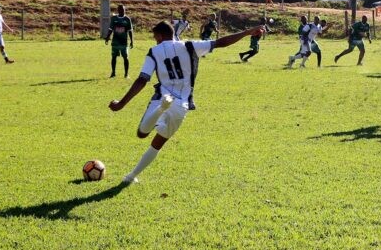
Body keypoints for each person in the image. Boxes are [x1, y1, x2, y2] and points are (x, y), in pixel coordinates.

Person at [108, 21, 265, 184]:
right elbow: (221, 42)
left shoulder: (154, 51)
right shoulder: (190, 46)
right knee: (158, 143)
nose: (156, 41)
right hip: (182, 105)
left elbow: (142, 80)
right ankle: (131, 176)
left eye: (155, 38)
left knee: (142, 134)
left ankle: (161, 109)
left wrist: (121, 104)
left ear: (160, 36)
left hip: (162, 97)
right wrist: (247, 32)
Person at [104, 4, 134, 78]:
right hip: (115, 42)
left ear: (124, 10)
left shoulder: (127, 19)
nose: (122, 11)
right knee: (114, 57)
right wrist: (107, 38)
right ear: (118, 10)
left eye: (123, 10)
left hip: (124, 42)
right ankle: (113, 73)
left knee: (125, 57)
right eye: (120, 10)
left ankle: (126, 74)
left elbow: (130, 31)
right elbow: (110, 29)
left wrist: (132, 41)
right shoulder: (114, 18)